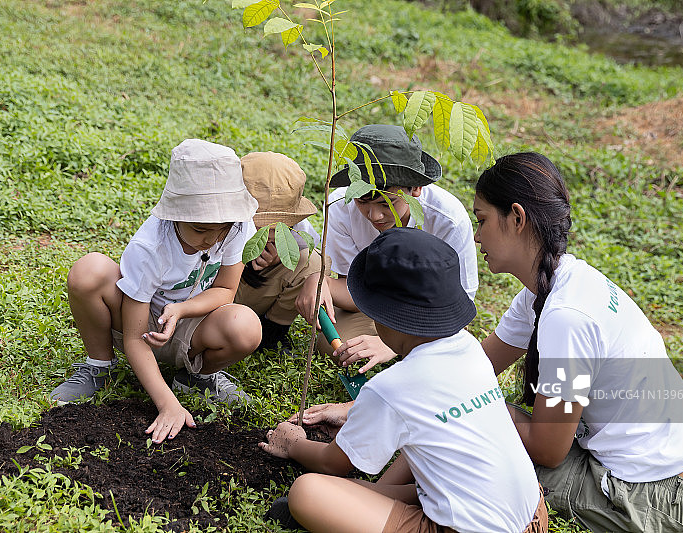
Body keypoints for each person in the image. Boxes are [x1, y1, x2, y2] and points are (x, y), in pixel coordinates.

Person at [473, 152, 683, 532]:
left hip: (667, 504)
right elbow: (478, 368)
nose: (477, 235)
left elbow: (548, 449)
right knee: (480, 411)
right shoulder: (558, 285)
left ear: (516, 217)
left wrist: (481, 412)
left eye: (481, 220)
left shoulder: (567, 317)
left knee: (481, 437)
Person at [260, 227, 547, 533]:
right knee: (420, 469)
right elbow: (425, 424)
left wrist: (293, 444)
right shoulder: (469, 349)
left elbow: (334, 463)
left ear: (382, 316)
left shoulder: (392, 386)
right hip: (532, 515)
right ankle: (360, 505)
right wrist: (356, 418)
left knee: (307, 491)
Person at [50, 139, 262, 444]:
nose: (212, 240)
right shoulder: (151, 246)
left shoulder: (240, 228)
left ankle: (195, 378)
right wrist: (167, 406)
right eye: (200, 230)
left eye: (222, 229)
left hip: (194, 321)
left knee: (245, 327)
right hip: (141, 321)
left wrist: (181, 310)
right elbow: (136, 337)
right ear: (175, 214)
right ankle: (99, 368)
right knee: (89, 270)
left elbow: (226, 289)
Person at [295, 124, 478, 371]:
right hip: (374, 307)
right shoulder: (340, 205)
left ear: (416, 189)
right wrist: (321, 283)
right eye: (362, 202)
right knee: (340, 348)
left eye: (387, 203)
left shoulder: (447, 219)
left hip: (429, 315)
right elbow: (354, 290)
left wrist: (391, 344)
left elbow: (459, 305)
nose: (374, 215)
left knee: (432, 359)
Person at [234, 151, 325, 356]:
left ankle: (272, 333)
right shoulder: (217, 220)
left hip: (256, 293)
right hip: (217, 296)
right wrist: (243, 261)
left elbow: (309, 255)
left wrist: (279, 255)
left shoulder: (296, 225)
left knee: (310, 263)